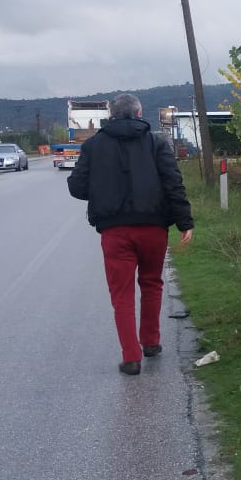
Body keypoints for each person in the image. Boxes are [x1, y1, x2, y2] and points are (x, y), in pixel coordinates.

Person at [68, 92, 194, 375]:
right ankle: (151, 342)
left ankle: (131, 357)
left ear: (111, 115)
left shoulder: (93, 146)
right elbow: (173, 184)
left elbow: (77, 187)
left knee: (121, 294)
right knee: (152, 283)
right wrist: (185, 222)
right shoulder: (156, 143)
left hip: (115, 231)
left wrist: (101, 188)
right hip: (153, 228)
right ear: (139, 114)